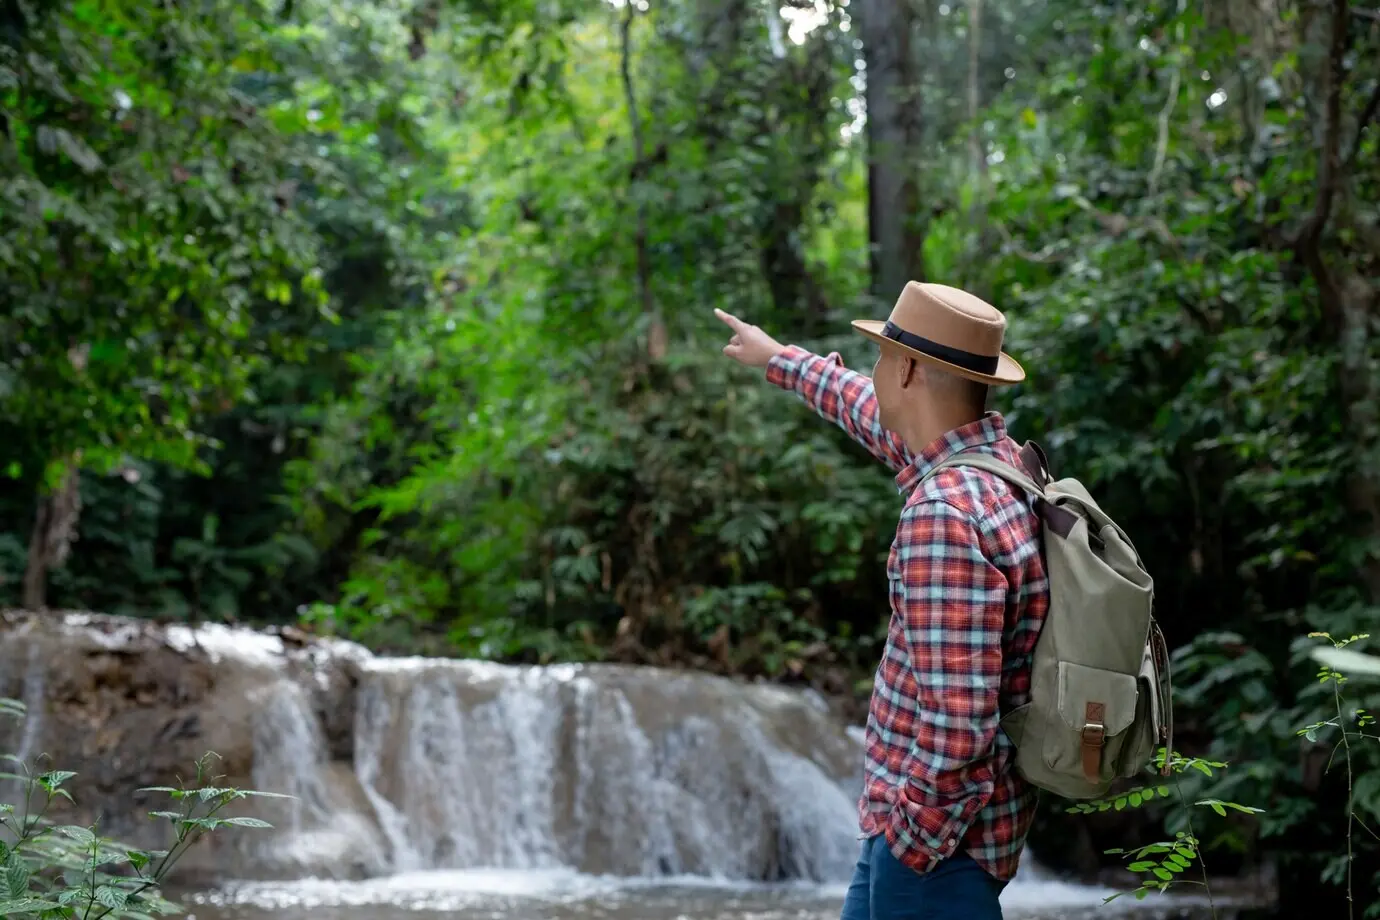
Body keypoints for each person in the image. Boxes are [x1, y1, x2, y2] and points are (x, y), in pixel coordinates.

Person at [715, 281, 1049, 920]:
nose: (874, 370)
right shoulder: (997, 467)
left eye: (882, 355)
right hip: (938, 836)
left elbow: (959, 727)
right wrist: (778, 358)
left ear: (909, 370)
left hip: (935, 850)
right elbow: (865, 408)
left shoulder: (943, 516)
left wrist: (906, 844)